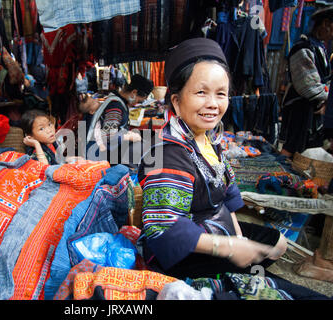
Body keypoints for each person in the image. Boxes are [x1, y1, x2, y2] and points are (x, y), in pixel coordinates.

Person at [137, 38, 287, 279]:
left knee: (278, 244)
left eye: (221, 94)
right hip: (183, 250)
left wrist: (237, 237)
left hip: (216, 223)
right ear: (176, 100)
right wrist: (229, 248)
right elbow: (163, 228)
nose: (213, 104)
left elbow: (229, 193)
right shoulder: (167, 156)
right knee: (264, 280)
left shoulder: (209, 139)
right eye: (200, 92)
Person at [279, 6, 333, 158]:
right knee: (292, 148)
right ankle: (278, 176)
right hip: (300, 109)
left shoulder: (320, 48)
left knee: (307, 150)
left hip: (312, 109)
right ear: (325, 24)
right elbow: (308, 85)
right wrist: (325, 100)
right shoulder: (303, 48)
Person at [86, 73, 154, 162]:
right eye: (138, 100)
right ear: (134, 92)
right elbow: (108, 136)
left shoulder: (115, 99)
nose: (136, 104)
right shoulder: (115, 107)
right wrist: (129, 137)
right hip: (98, 156)